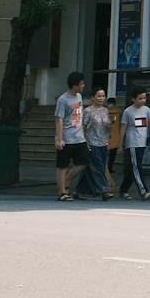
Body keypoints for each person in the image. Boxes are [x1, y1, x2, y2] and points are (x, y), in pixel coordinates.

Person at [118, 88, 150, 199]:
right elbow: (123, 128)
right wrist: (120, 144)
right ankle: (143, 191)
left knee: (132, 168)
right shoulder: (128, 111)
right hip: (132, 143)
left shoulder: (146, 110)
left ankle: (123, 190)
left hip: (142, 142)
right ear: (133, 99)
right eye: (140, 98)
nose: (143, 100)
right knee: (137, 167)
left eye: (144, 98)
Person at [53, 73, 88, 202]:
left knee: (83, 162)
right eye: (81, 84)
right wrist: (59, 138)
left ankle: (67, 180)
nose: (83, 86)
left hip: (79, 137)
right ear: (74, 85)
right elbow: (59, 119)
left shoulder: (79, 96)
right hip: (67, 137)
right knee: (62, 165)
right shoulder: (63, 100)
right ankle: (62, 191)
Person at [78, 88, 114, 199]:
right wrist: (83, 141)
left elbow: (107, 126)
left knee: (93, 167)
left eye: (103, 96)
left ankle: (80, 190)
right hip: (91, 142)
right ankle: (104, 190)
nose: (101, 98)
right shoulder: (88, 111)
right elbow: (82, 126)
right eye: (99, 96)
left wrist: (111, 124)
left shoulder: (105, 110)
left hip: (103, 142)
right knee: (97, 167)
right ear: (92, 98)